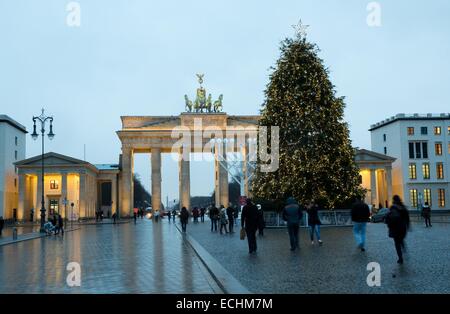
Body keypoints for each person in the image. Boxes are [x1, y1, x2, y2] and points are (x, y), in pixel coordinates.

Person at [385, 195, 410, 264]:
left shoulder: (392, 207)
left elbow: (388, 217)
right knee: (401, 240)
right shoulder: (403, 207)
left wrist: (388, 224)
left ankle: (400, 258)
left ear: (393, 200)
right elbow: (407, 218)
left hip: (395, 228)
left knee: (397, 243)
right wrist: (408, 226)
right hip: (402, 227)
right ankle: (404, 249)